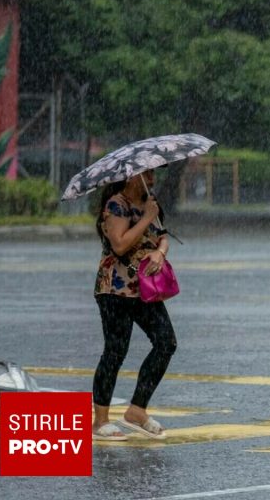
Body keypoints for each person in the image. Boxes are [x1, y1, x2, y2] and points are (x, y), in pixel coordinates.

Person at [90, 169, 176, 441]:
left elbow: (163, 236)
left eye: (152, 175)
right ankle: (100, 421)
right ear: (130, 178)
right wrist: (147, 218)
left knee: (166, 342)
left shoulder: (151, 203)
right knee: (116, 350)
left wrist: (160, 253)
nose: (151, 180)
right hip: (114, 287)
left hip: (144, 289)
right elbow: (119, 244)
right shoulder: (117, 204)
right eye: (146, 175)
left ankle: (137, 409)